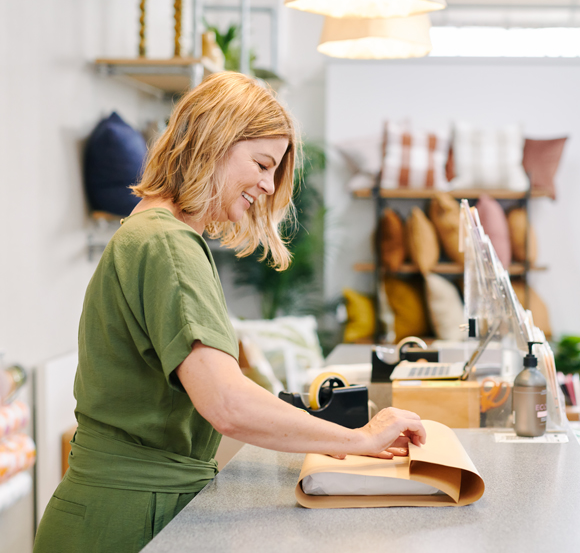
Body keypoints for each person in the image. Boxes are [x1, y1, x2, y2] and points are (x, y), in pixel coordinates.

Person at [33, 72, 426, 553]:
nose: (266, 184)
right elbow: (227, 404)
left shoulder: (153, 234)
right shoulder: (167, 244)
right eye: (262, 164)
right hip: (125, 518)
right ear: (213, 141)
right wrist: (362, 438)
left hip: (120, 507)